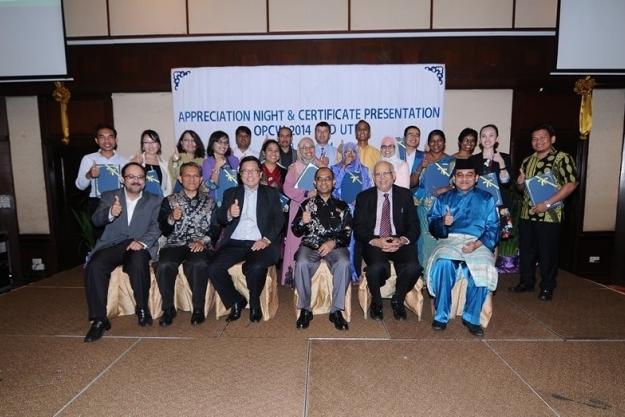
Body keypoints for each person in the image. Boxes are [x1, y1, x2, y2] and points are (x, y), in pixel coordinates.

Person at [83, 162, 162, 342]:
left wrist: (142, 242)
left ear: (145, 180)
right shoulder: (110, 196)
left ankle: (142, 308)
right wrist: (110, 212)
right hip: (112, 245)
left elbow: (157, 226)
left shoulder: (154, 200)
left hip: (139, 244)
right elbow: (96, 220)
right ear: (122, 179)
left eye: (140, 177)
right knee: (94, 266)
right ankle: (99, 320)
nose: (136, 180)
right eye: (131, 177)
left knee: (138, 261)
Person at [426, 158, 499, 336]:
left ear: (476, 178)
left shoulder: (487, 199)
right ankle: (441, 315)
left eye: (469, 175)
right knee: (443, 263)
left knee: (483, 267)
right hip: (450, 240)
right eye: (460, 175)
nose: (464, 179)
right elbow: (432, 224)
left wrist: (477, 244)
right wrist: (443, 222)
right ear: (454, 178)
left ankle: (472, 318)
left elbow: (493, 228)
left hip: (478, 241)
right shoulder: (443, 198)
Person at [207, 156, 284, 322]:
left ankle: (255, 303)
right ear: (240, 175)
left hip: (261, 242)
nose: (250, 174)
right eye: (245, 171)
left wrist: (266, 240)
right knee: (213, 268)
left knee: (255, 266)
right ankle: (236, 301)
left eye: (254, 170)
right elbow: (219, 218)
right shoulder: (231, 193)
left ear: (260, 173)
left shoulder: (271, 193)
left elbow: (279, 219)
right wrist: (229, 213)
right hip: (235, 243)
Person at [510, 123, 578, 301]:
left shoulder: (562, 158)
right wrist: (519, 182)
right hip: (527, 214)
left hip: (550, 214)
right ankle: (527, 282)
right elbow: (520, 189)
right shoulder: (527, 160)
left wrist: (547, 204)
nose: (538, 141)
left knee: (547, 252)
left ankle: (547, 286)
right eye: (534, 138)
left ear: (552, 139)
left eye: (542, 138)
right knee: (526, 251)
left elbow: (571, 184)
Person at [353, 160, 421, 321]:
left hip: (399, 239)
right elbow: (359, 227)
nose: (382, 178)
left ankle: (398, 299)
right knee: (376, 268)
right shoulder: (364, 197)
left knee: (413, 267)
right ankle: (377, 302)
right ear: (373, 178)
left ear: (394, 176)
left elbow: (414, 225)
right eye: (378, 174)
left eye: (386, 173)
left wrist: (403, 240)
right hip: (375, 240)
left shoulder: (405, 195)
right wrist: (375, 241)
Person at [156, 162, 219, 327]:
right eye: (187, 175)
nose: (192, 179)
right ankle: (168, 308)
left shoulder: (210, 202)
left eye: (196, 176)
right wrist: (171, 217)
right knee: (164, 265)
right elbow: (162, 228)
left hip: (199, 244)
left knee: (198, 264)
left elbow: (215, 229)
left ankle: (198, 309)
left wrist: (202, 241)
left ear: (201, 179)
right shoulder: (169, 201)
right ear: (180, 178)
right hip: (174, 244)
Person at [291, 167, 352, 330]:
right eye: (320, 179)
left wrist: (332, 243)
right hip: (310, 245)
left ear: (333, 182)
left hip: (335, 245)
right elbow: (295, 231)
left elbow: (347, 234)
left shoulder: (342, 206)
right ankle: (305, 309)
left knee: (344, 263)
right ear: (314, 182)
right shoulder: (306, 205)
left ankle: (336, 311)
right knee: (302, 262)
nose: (323, 182)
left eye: (327, 179)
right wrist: (302, 222)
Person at [412, 129, 455, 266]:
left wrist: (446, 188)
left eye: (439, 140)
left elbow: (459, 185)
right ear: (428, 143)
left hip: (443, 207)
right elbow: (412, 183)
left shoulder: (451, 161)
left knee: (441, 239)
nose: (436, 143)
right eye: (433, 141)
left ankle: (438, 273)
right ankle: (424, 275)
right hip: (423, 206)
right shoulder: (421, 158)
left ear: (444, 143)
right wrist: (421, 166)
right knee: (424, 241)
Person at [331, 142, 372, 281]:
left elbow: (367, 190)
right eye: (347, 152)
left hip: (357, 210)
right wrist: (343, 169)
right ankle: (341, 271)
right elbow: (334, 189)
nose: (350, 154)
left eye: (353, 152)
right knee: (342, 240)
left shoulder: (363, 170)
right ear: (342, 154)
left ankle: (353, 272)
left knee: (354, 242)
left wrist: (358, 200)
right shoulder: (335, 169)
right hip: (340, 210)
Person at [282, 137, 319, 285]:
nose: (308, 150)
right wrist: (306, 193)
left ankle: (314, 276)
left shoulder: (320, 165)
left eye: (311, 147)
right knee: (296, 241)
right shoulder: (293, 168)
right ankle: (295, 276)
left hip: (317, 208)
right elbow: (287, 189)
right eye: (304, 148)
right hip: (298, 208)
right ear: (299, 150)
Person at [75, 123, 128, 220]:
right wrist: (89, 174)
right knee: (99, 234)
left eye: (110, 137)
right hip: (97, 203)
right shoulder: (88, 159)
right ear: (96, 140)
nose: (107, 140)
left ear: (115, 140)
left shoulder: (124, 161)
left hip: (119, 202)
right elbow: (80, 186)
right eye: (102, 137)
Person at [470, 124, 513, 238]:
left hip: (501, 205)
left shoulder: (505, 157)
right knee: (477, 236)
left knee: (497, 238)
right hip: (479, 204)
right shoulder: (473, 159)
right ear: (480, 140)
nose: (487, 139)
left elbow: (506, 182)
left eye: (491, 135)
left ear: (497, 139)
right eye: (484, 136)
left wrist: (502, 164)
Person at [131, 129, 172, 197]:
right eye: (146, 142)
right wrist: (133, 164)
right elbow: (122, 179)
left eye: (154, 142)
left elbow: (169, 188)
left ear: (158, 145)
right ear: (143, 146)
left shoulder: (165, 164)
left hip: (159, 202)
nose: (150, 145)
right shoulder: (135, 160)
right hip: (140, 201)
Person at [201, 130, 239, 203]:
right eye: (220, 142)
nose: (223, 145)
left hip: (233, 200)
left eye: (226, 142)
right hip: (216, 202)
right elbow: (211, 186)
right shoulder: (208, 162)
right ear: (212, 144)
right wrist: (217, 166)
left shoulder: (233, 160)